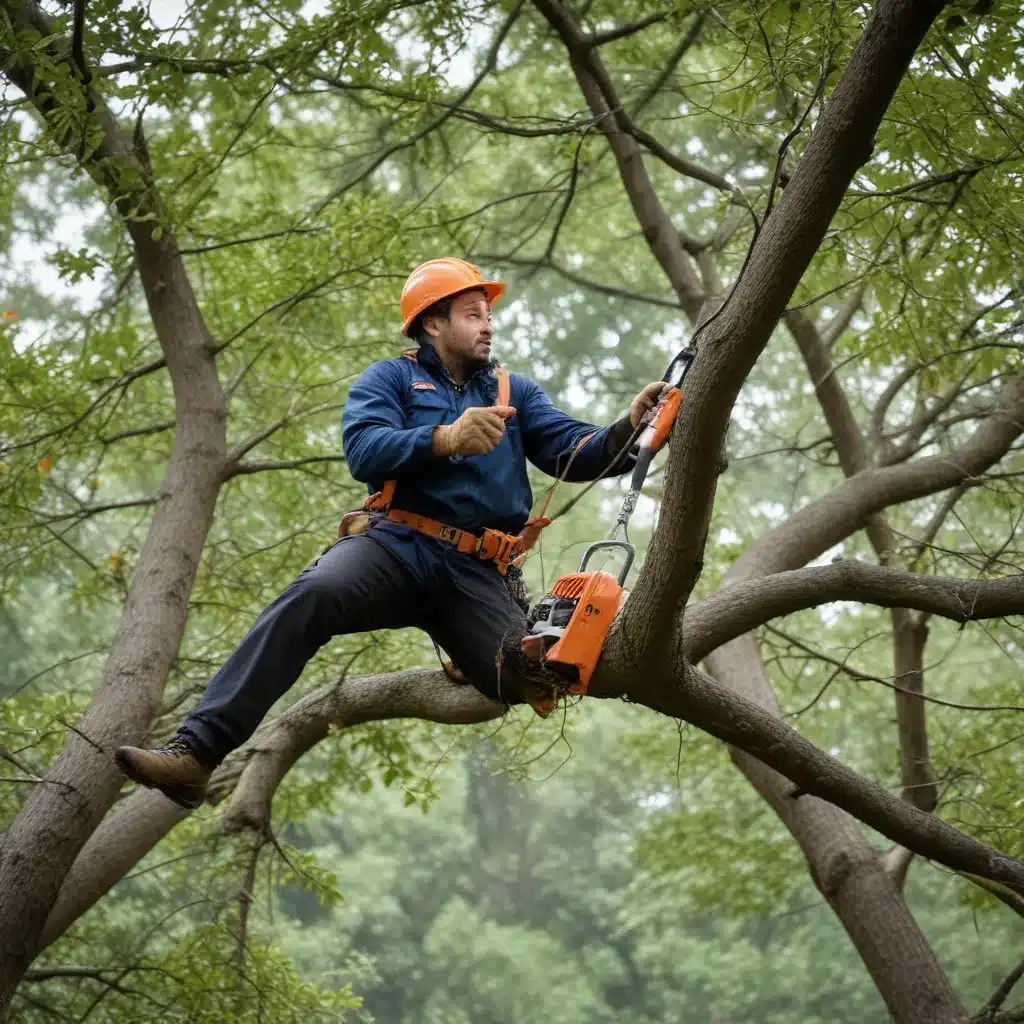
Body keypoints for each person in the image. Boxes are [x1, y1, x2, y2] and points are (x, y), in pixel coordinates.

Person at [114, 258, 667, 809]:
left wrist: (630, 426)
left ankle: (477, 659)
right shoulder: (391, 379)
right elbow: (364, 449)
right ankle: (197, 753)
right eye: (472, 314)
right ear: (433, 323)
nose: (488, 325)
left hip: (476, 571)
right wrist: (445, 438)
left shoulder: (512, 389)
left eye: (489, 315)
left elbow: (575, 452)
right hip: (396, 546)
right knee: (314, 595)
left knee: (525, 674)